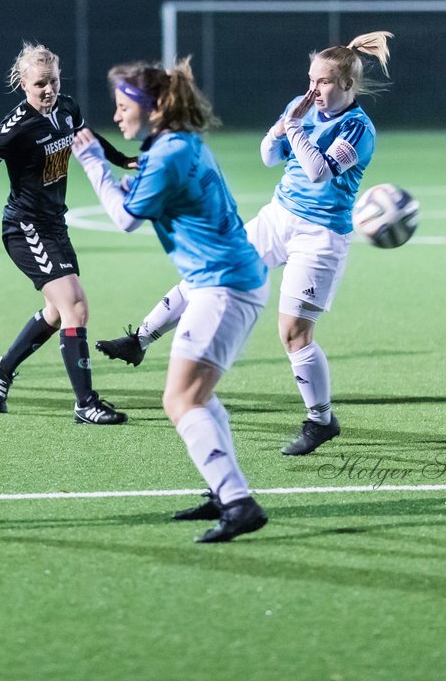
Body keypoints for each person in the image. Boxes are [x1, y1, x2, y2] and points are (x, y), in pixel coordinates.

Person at [95, 32, 393, 458]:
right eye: (311, 80)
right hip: (278, 216)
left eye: (324, 82)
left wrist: (294, 126)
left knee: (293, 334)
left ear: (347, 85)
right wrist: (281, 128)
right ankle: (139, 339)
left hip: (321, 236)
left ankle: (321, 421)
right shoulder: (301, 106)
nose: (314, 90)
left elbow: (317, 172)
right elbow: (269, 156)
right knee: (215, 269)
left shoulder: (358, 128)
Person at [71, 58, 268, 543]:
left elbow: (126, 218)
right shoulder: (180, 145)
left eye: (122, 107)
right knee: (198, 396)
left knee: (180, 399)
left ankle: (238, 502)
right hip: (226, 280)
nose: (116, 116)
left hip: (223, 285)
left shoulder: (168, 155)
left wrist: (92, 160)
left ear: (152, 106)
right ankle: (224, 494)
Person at [0, 42, 135, 424]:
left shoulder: (66, 107)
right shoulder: (18, 126)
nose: (49, 89)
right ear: (24, 85)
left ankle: (1, 368)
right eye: (40, 83)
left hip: (54, 225)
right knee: (75, 306)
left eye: (54, 81)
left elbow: (87, 137)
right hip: (24, 228)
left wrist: (123, 159)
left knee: (58, 312)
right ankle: (85, 403)